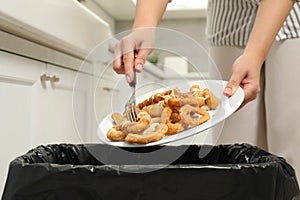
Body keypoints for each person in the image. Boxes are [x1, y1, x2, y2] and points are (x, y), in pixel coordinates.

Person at [113, 0, 300, 182]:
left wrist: (254, 54)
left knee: (292, 154)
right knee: (232, 162)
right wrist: (143, 27)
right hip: (228, 18)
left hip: (289, 18)